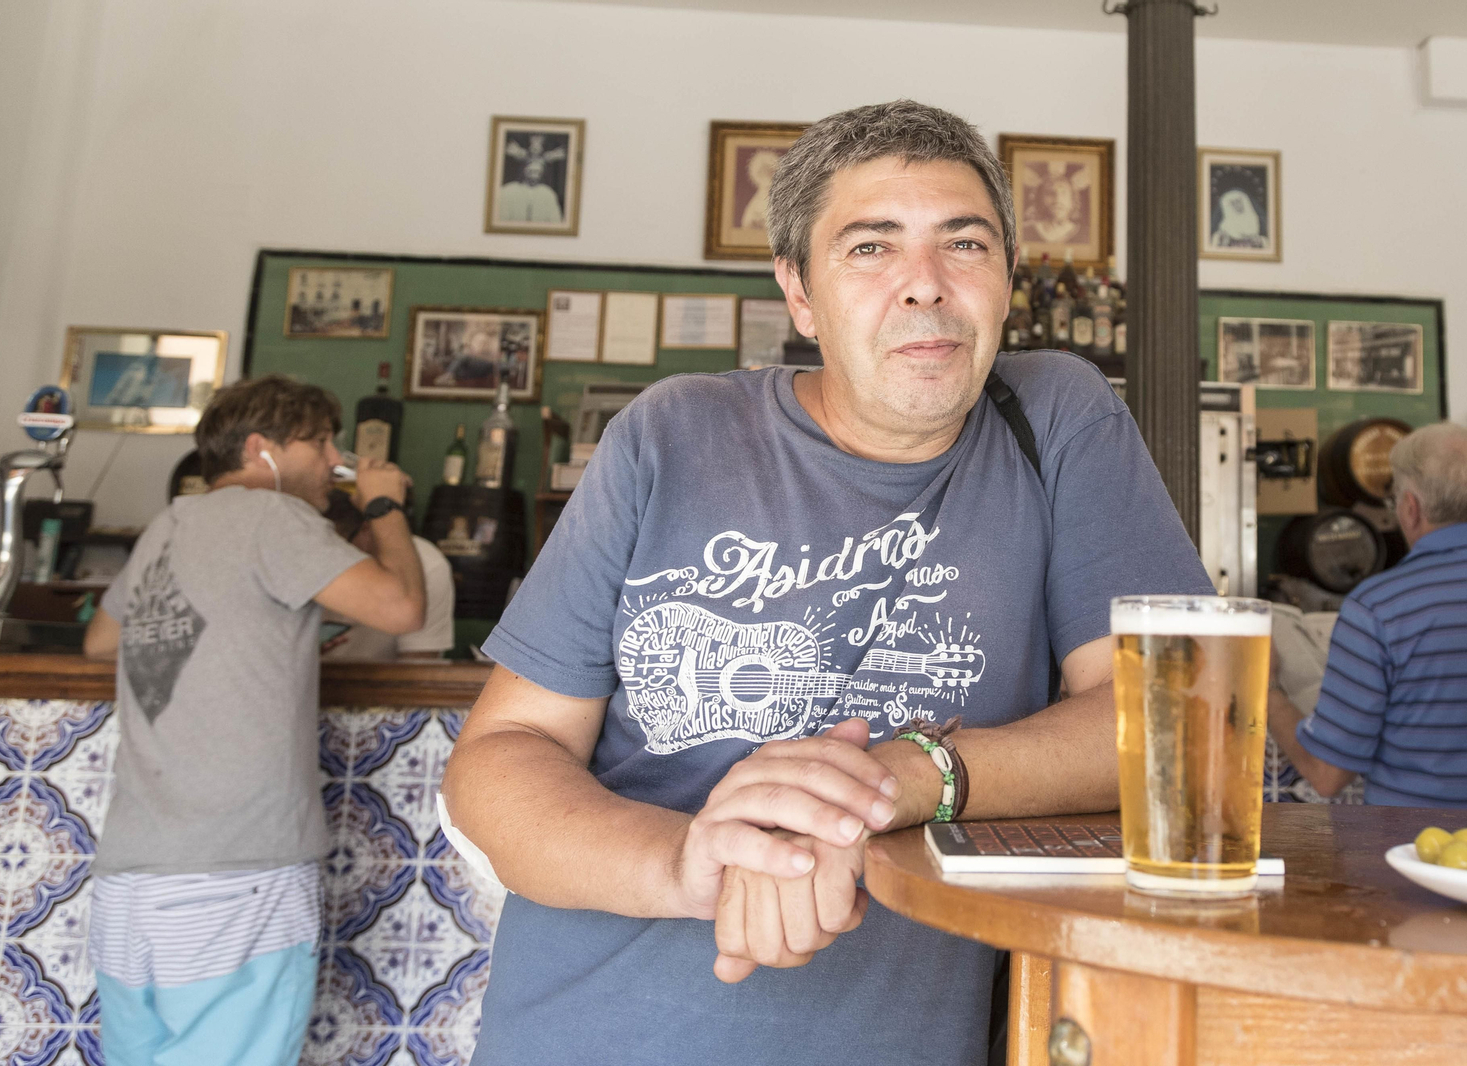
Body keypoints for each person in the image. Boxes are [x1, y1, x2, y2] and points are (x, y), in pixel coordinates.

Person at [441, 99, 1211, 1066]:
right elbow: (504, 751)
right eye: (870, 249)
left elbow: (1175, 723)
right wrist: (687, 864)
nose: (924, 286)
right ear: (799, 293)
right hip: (592, 1028)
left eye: (963, 244)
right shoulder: (674, 433)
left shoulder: (1052, 416)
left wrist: (898, 777)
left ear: (1008, 280)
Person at [81, 374, 426, 1066]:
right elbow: (402, 610)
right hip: (236, 877)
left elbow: (101, 641)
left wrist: (267, 636)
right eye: (320, 441)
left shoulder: (169, 524)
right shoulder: (274, 517)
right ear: (261, 448)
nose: (334, 460)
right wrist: (383, 504)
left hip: (130, 883)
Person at [1266, 422, 1467, 813]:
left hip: (1423, 863)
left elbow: (1326, 774)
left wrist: (1268, 690)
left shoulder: (1378, 608)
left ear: (1410, 508)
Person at [322, 489, 456, 660]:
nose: (326, 561)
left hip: (382, 682)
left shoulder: (427, 563)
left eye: (339, 549)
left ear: (366, 529)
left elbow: (418, 665)